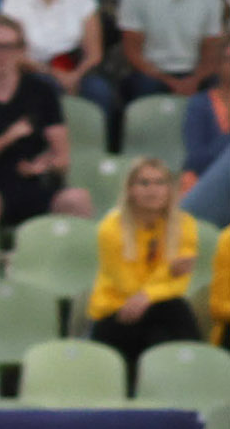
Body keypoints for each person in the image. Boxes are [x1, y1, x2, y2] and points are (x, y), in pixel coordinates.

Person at [0, 14, 95, 229]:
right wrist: (5, 139)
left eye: (9, 47)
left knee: (77, 198)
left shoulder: (41, 92)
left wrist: (43, 166)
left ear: (21, 51)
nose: (2, 55)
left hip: (33, 185)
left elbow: (61, 157)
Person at [87, 155, 202, 367]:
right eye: (144, 183)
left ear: (170, 190)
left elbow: (180, 283)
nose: (153, 190)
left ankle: (192, 372)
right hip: (117, 311)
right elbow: (128, 286)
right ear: (130, 190)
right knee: (174, 310)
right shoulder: (111, 229)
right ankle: (197, 368)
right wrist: (167, 275)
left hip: (158, 309)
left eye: (160, 183)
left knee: (168, 319)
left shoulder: (185, 225)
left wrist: (149, 294)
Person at [115, 0, 224, 125]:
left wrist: (194, 80)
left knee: (219, 86)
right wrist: (169, 81)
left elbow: (211, 52)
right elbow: (132, 51)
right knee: (142, 86)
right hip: (152, 73)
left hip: (194, 72)